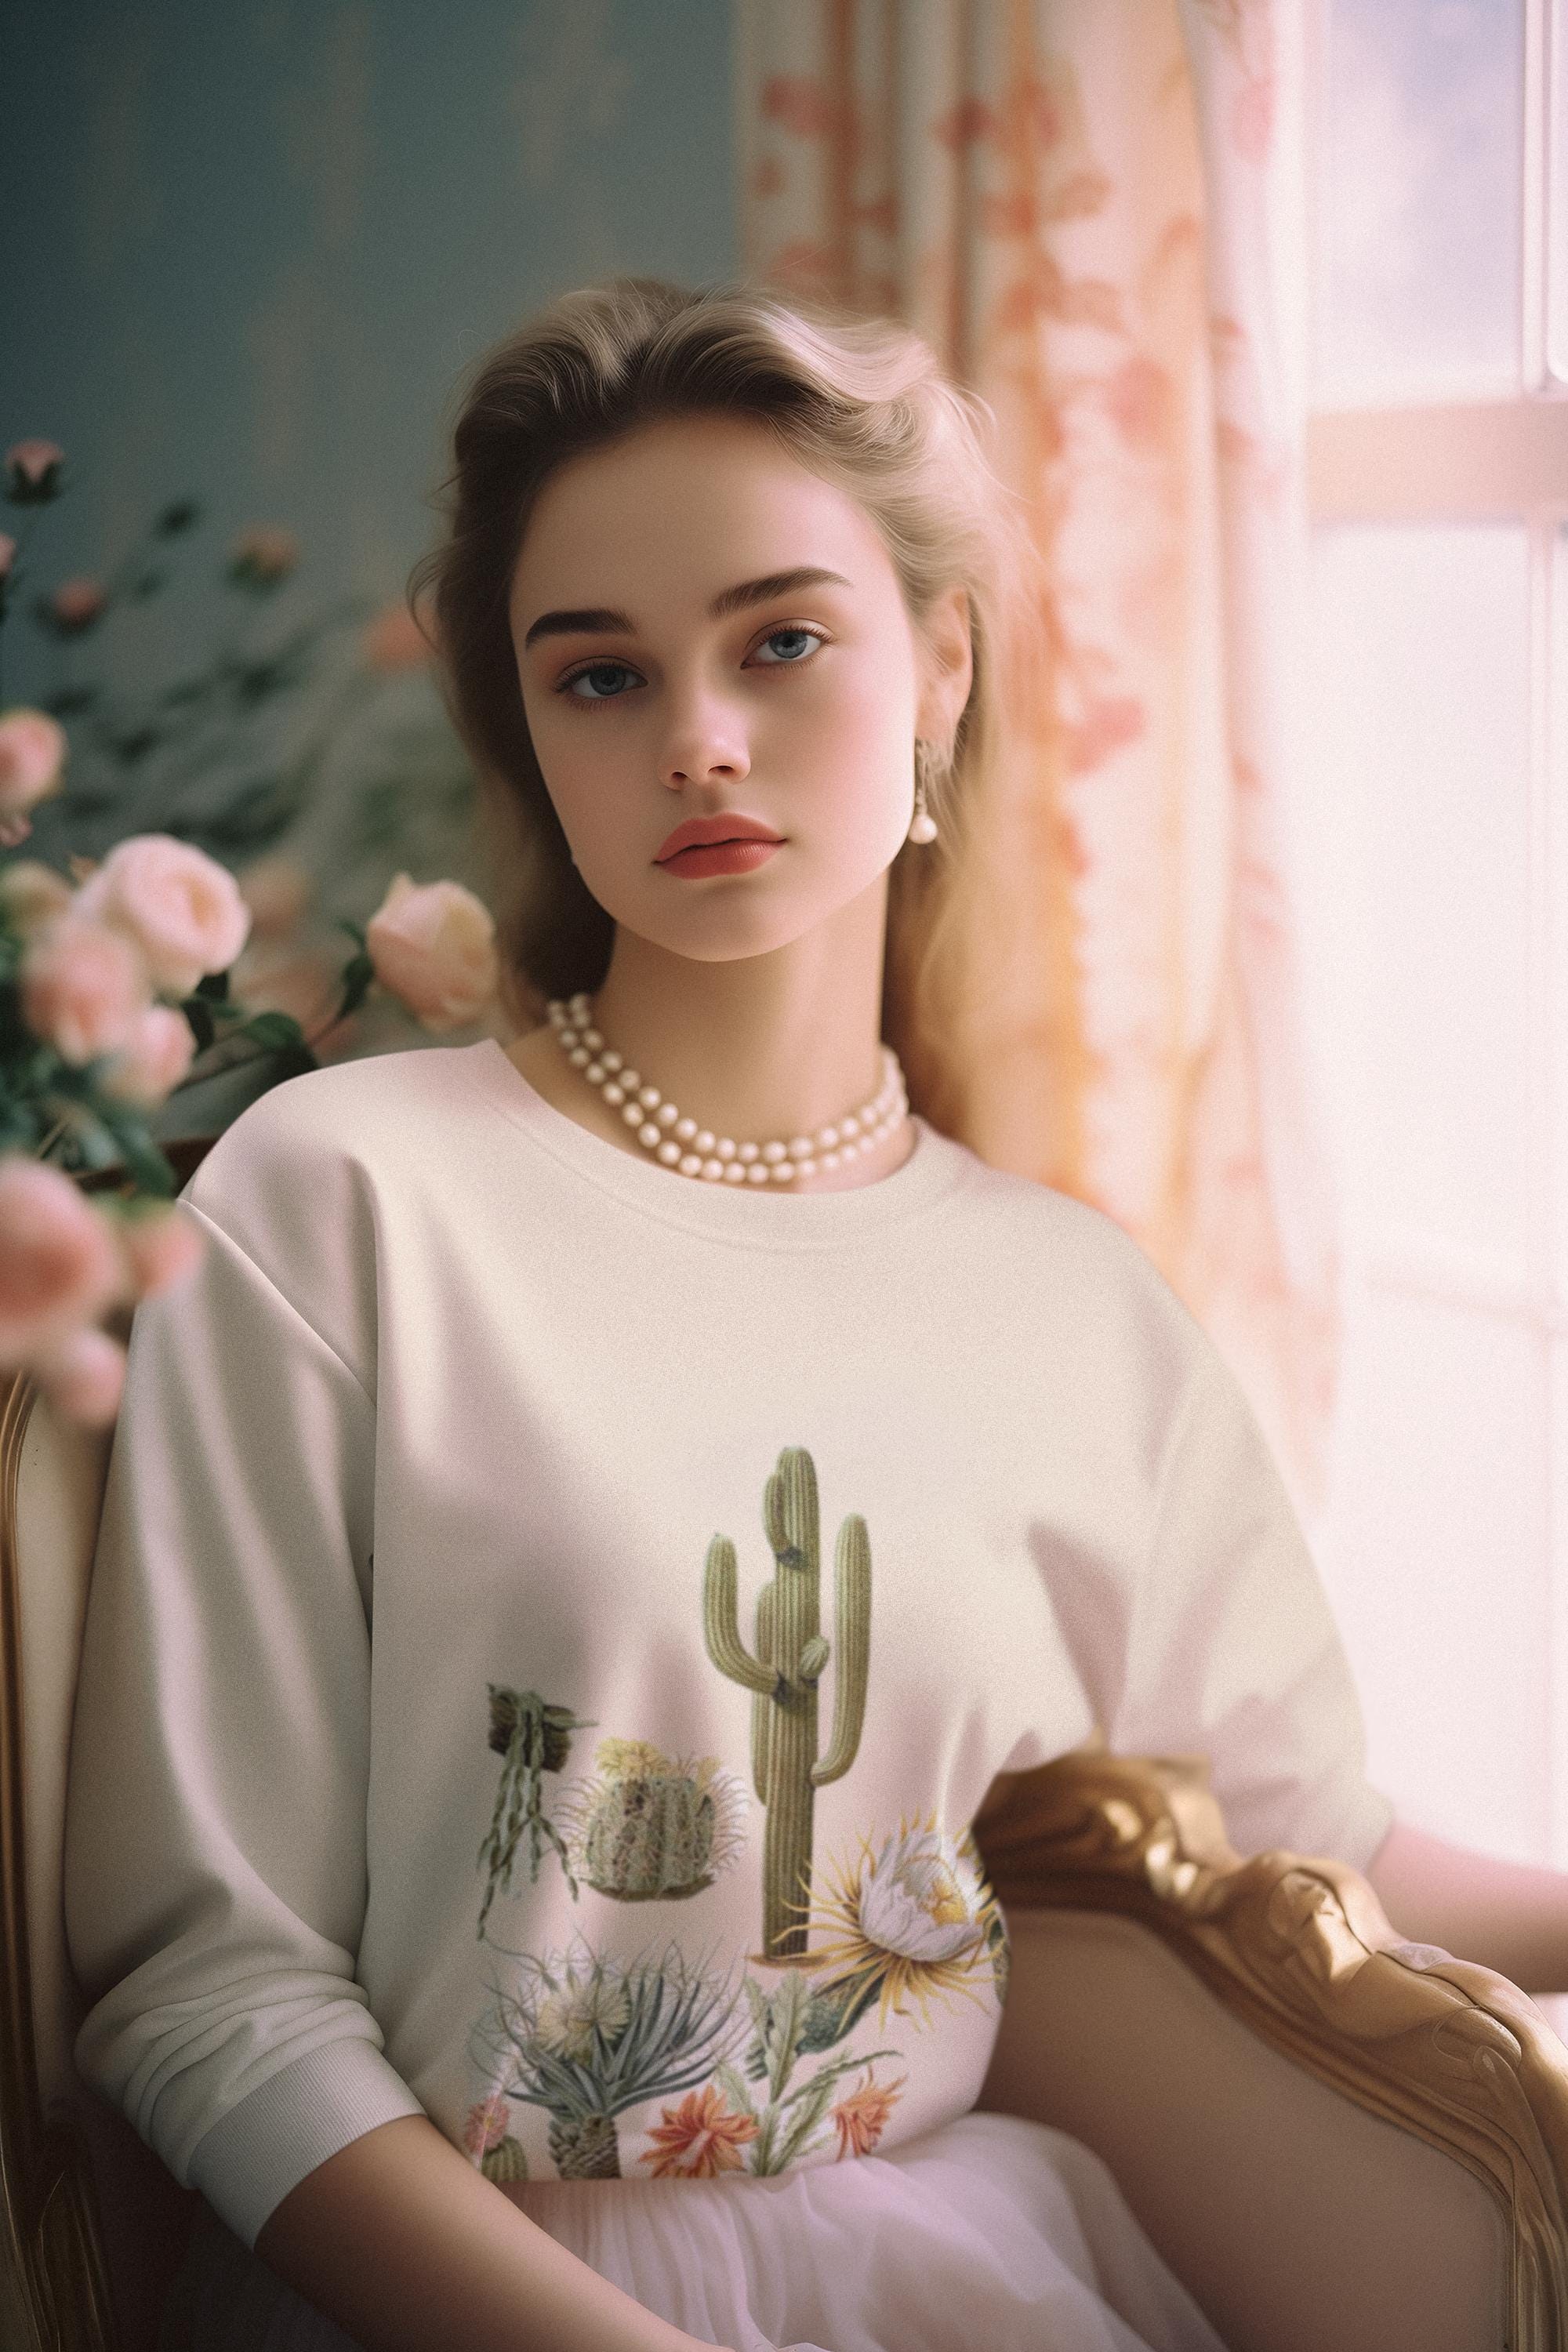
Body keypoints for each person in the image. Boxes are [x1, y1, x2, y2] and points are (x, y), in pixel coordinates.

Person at [60, 276, 1568, 2352]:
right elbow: (202, 1980)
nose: (696, 735)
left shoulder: (1075, 1309)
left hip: (962, 2280)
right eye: (597, 677)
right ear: (527, 731)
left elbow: (1315, 1846)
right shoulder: (343, 1204)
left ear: (939, 665)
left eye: (781, 640)